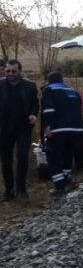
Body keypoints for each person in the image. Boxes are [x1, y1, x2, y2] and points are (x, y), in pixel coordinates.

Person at [41, 72, 83, 197]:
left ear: (49, 81)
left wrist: (47, 126)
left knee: (53, 156)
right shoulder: (72, 90)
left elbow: (48, 109)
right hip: (76, 129)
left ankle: (60, 187)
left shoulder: (49, 90)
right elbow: (80, 108)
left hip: (58, 129)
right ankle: (67, 179)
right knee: (68, 154)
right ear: (62, 80)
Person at [0, 60, 39, 201]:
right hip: (4, 128)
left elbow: (35, 104)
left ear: (19, 72)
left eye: (13, 71)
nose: (10, 74)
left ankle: (21, 190)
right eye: (8, 71)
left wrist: (34, 114)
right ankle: (9, 191)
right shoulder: (1, 85)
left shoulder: (29, 86)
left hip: (23, 127)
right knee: (6, 160)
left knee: (22, 158)